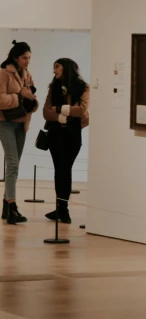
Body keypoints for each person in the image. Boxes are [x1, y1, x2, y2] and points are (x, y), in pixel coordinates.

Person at [0, 41, 38, 225]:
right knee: (12, 164)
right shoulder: (3, 75)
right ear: (15, 57)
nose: (27, 61)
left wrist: (30, 100)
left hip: (21, 123)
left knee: (15, 165)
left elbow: (33, 101)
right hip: (6, 123)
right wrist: (19, 97)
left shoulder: (27, 75)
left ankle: (6, 204)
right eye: (24, 57)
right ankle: (12, 207)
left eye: (29, 58)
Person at [43, 58, 90, 224]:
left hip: (73, 136)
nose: (54, 71)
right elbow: (45, 113)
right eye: (54, 67)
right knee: (60, 170)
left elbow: (82, 110)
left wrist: (59, 110)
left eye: (57, 67)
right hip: (55, 135)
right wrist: (63, 116)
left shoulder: (83, 87)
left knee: (65, 169)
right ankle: (62, 209)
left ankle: (62, 209)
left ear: (67, 68)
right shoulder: (53, 87)